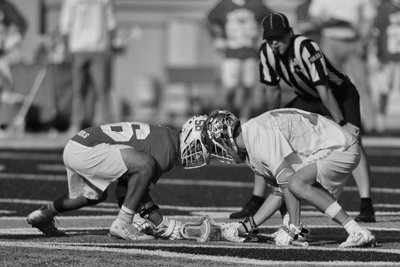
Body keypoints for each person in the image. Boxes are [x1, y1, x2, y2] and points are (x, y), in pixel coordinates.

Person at [231, 12, 376, 223]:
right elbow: (272, 90)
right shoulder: (267, 53)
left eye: (279, 37)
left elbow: (325, 90)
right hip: (308, 97)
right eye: (270, 39)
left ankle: (367, 204)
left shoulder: (306, 48)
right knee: (263, 137)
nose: (275, 43)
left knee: (353, 140)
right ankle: (256, 198)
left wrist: (342, 123)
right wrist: (270, 121)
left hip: (339, 94)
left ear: (290, 33)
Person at [203, 109, 376, 248]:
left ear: (223, 137)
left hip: (340, 146)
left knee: (296, 183)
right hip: (333, 146)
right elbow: (278, 192)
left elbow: (288, 183)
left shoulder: (257, 136)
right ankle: (349, 230)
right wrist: (247, 227)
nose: (219, 154)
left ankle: (356, 230)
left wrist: (293, 228)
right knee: (294, 184)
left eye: (216, 148)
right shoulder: (250, 141)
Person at [27, 115, 211, 241]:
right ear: (191, 137)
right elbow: (138, 190)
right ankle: (122, 224)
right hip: (87, 148)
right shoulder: (168, 149)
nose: (201, 156)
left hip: (78, 145)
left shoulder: (167, 138)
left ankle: (44, 214)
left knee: (92, 196)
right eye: (204, 148)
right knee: (146, 165)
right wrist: (162, 224)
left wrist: (146, 217)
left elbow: (125, 190)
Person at [205, 0, 272, 122]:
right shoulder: (224, 4)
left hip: (251, 52)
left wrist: (266, 38)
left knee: (248, 87)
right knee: (229, 89)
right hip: (231, 52)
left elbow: (273, 19)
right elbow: (209, 21)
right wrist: (216, 38)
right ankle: (230, 117)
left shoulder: (257, 4)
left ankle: (244, 118)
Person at [59, 0, 117, 135]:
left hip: (99, 48)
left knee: (102, 89)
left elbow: (111, 23)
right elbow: (65, 23)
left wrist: (110, 46)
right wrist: (67, 48)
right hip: (77, 48)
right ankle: (76, 124)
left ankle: (108, 126)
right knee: (77, 90)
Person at [368, 0, 400, 134]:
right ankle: (380, 122)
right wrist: (375, 54)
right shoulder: (383, 9)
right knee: (384, 90)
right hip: (387, 58)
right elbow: (376, 33)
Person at [0, 0, 28, 127]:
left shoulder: (5, 6)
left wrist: (12, 40)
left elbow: (22, 24)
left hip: (2, 56)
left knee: (4, 86)